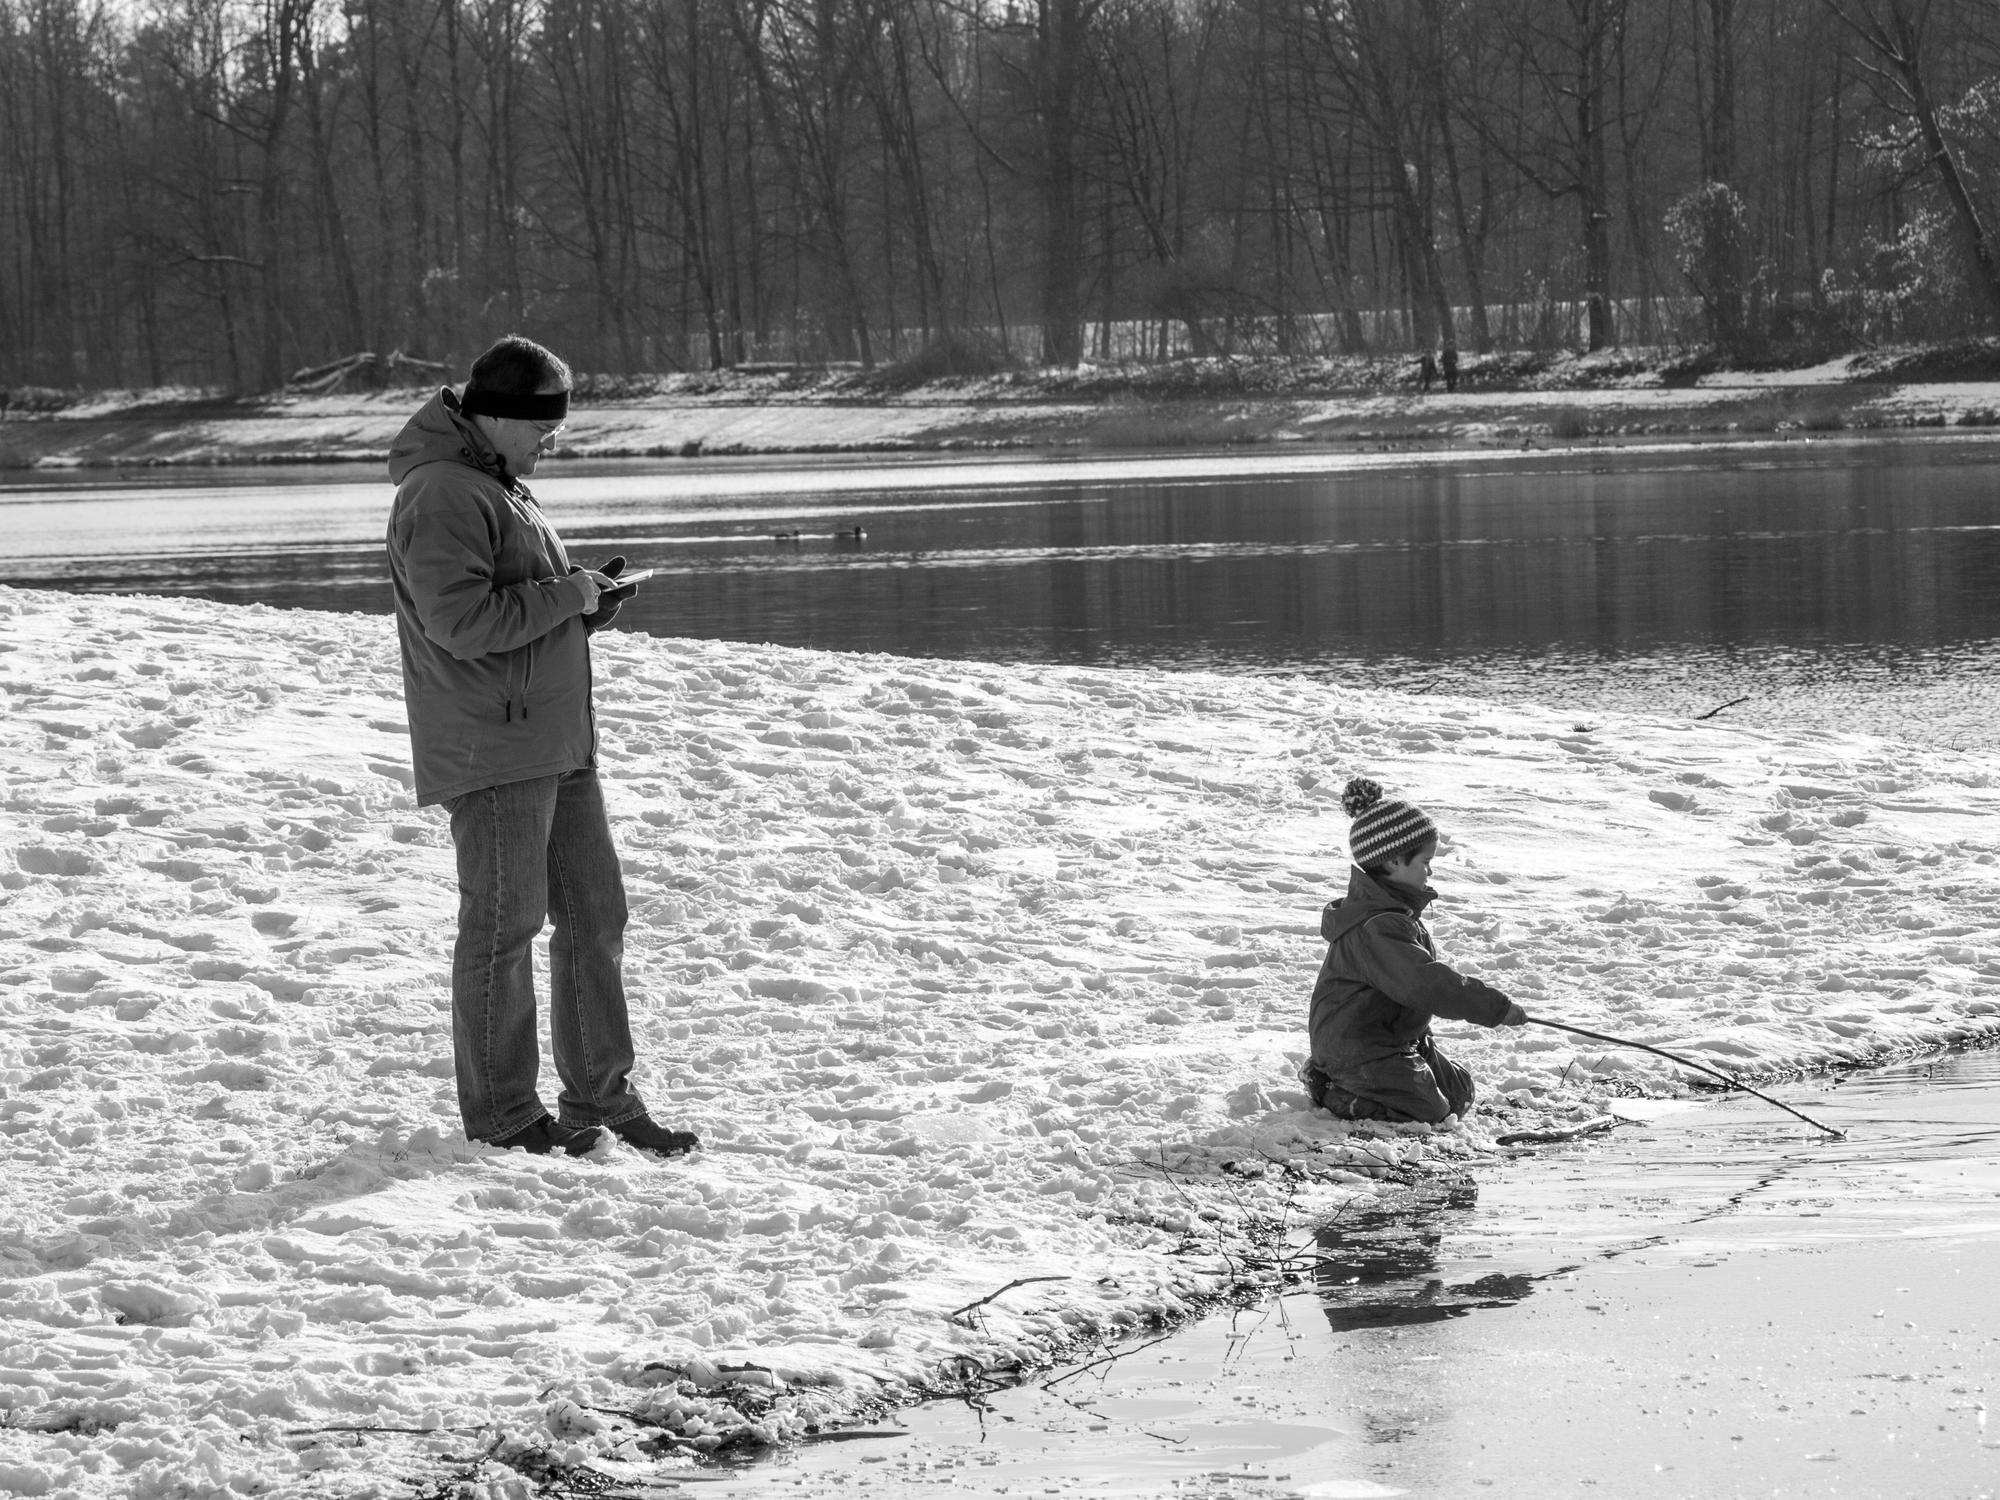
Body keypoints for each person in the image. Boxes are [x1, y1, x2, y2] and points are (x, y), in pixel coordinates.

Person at [385, 334, 698, 1160]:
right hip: (496, 747)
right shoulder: (445, 493)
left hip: (555, 740)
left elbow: (517, 606)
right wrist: (568, 593)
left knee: (595, 917)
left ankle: (601, 1097)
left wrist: (586, 604)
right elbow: (460, 624)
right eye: (543, 428)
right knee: (504, 928)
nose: (552, 441)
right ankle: (506, 1117)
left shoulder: (497, 484)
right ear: (496, 416)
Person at [1301, 777, 1527, 1123]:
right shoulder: (1376, 928)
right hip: (1356, 1048)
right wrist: (1494, 1008)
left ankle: (1387, 1078)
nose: (1430, 870)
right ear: (1393, 861)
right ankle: (1328, 1088)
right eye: (1424, 861)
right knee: (1428, 1109)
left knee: (1459, 1093)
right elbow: (1424, 984)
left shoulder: (1395, 913)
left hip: (1394, 1039)